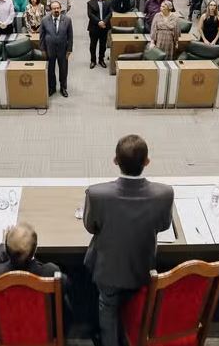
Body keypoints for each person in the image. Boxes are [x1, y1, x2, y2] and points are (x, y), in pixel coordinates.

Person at [84, 135, 173, 346]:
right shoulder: (164, 194)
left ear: (115, 161)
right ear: (147, 162)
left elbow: (90, 227)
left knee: (107, 306)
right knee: (135, 303)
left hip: (107, 270)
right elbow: (164, 226)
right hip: (142, 268)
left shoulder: (97, 194)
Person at [40, 1, 73, 97]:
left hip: (63, 50)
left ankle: (63, 88)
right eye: (54, 8)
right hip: (50, 50)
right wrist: (43, 50)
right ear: (50, 9)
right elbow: (41, 36)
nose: (56, 10)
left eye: (58, 8)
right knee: (50, 70)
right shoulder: (45, 20)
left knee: (63, 70)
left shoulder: (67, 20)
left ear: (60, 8)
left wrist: (69, 50)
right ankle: (52, 87)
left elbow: (70, 36)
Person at [88, 0, 112, 69]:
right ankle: (93, 61)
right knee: (93, 45)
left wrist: (104, 22)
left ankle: (101, 60)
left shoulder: (108, 2)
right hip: (94, 27)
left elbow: (110, 13)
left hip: (104, 27)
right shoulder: (90, 3)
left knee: (103, 45)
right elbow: (90, 15)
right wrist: (99, 22)